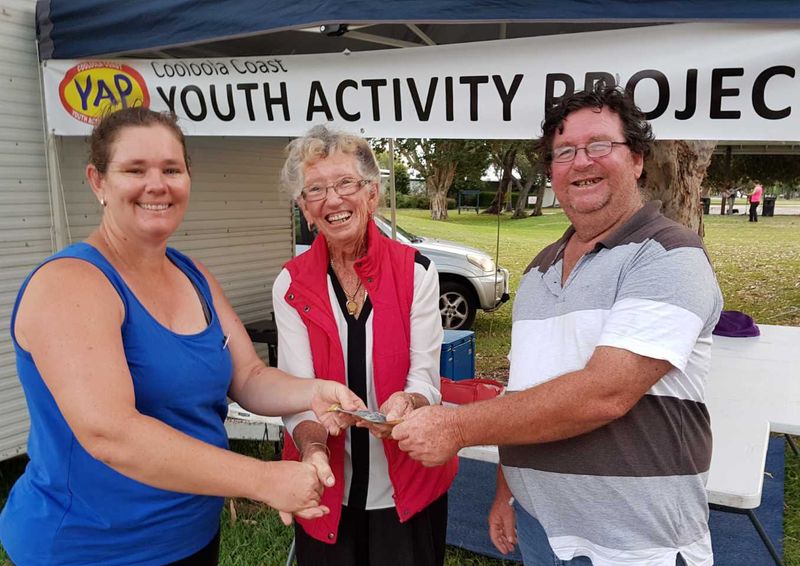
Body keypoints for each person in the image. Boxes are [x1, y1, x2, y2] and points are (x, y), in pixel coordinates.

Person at [0, 108, 364, 566]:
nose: (158, 184)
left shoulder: (192, 274)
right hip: (89, 547)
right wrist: (262, 478)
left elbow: (247, 376)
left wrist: (313, 391)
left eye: (172, 169)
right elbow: (111, 434)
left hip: (189, 537)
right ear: (98, 182)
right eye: (135, 170)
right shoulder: (71, 282)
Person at [392, 83, 723, 566]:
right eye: (564, 151)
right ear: (550, 171)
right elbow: (525, 388)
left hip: (633, 544)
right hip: (541, 526)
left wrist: (457, 427)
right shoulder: (540, 269)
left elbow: (603, 393)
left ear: (637, 159)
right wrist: (507, 491)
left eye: (599, 145)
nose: (581, 162)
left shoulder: (669, 256)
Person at [274, 125, 458, 565]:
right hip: (325, 485)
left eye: (345, 184)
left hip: (408, 486)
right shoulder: (290, 283)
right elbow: (297, 393)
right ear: (304, 207)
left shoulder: (417, 272)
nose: (332, 200)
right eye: (315, 189)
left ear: (371, 194)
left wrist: (407, 403)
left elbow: (426, 379)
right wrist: (314, 446)